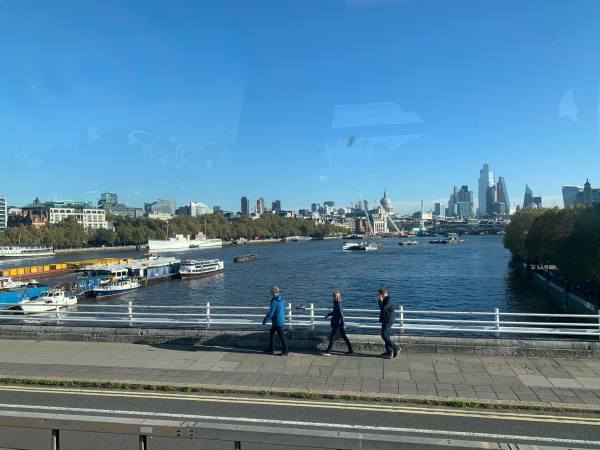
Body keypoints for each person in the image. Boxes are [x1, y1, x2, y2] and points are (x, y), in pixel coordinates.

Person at [321, 291, 354, 356]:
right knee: (344, 336)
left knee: (332, 336)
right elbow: (335, 312)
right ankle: (351, 350)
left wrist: (344, 324)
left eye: (333, 296)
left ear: (336, 297)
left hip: (338, 323)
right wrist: (328, 315)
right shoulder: (336, 303)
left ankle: (328, 351)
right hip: (339, 323)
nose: (332, 297)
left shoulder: (337, 304)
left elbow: (341, 314)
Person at [262, 285, 289, 356]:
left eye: (271, 291)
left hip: (277, 321)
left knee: (281, 336)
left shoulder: (274, 301)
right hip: (281, 320)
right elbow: (284, 309)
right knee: (272, 332)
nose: (270, 292)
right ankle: (271, 348)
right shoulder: (282, 299)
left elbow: (271, 313)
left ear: (273, 292)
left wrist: (265, 321)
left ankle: (285, 351)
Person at [378, 288, 399, 358]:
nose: (378, 296)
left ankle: (396, 347)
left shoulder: (389, 299)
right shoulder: (385, 299)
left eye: (379, 294)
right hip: (385, 319)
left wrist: (380, 300)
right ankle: (389, 352)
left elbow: (383, 308)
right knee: (387, 336)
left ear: (382, 294)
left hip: (388, 320)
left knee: (384, 335)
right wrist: (381, 300)